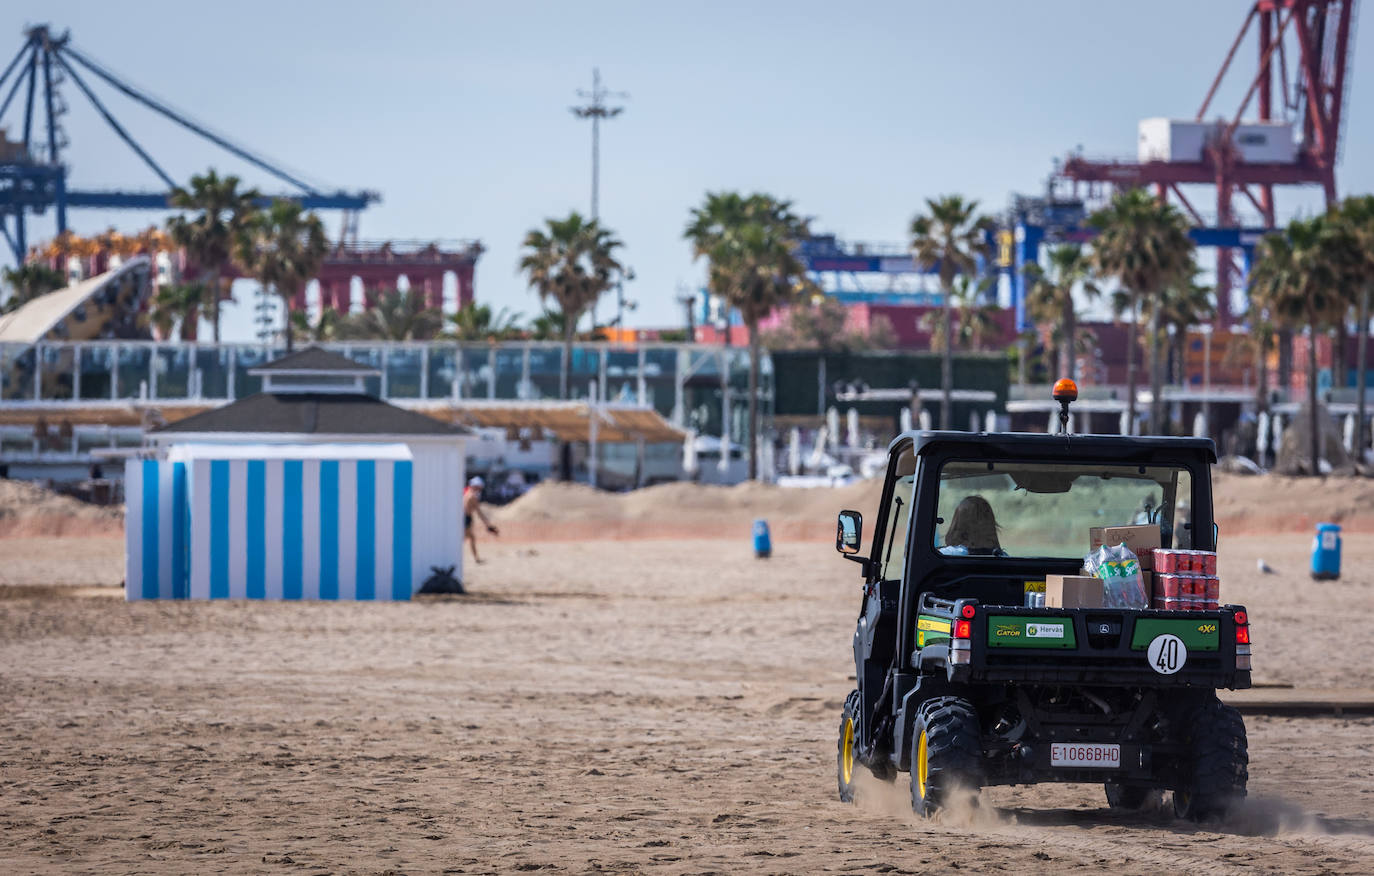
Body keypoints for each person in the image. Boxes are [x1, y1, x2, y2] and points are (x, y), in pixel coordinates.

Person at [463, 476, 499, 564]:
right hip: (466, 519)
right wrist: (488, 525)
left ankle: (476, 558)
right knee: (470, 538)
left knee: (470, 538)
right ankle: (476, 559)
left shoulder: (466, 493)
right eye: (479, 487)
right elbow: (479, 513)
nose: (480, 490)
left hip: (465, 518)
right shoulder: (472, 497)